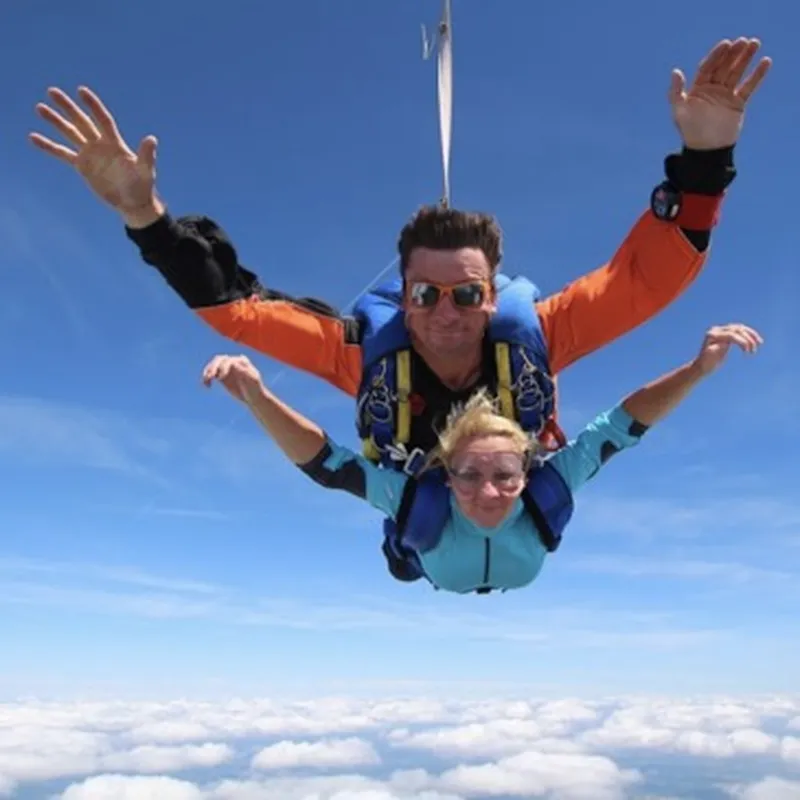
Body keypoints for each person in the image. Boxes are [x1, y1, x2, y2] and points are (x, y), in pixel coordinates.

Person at [29, 38, 771, 472]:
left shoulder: (538, 338)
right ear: (403, 293)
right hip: (416, 493)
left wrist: (705, 159)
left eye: (467, 295)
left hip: (513, 486)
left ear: (492, 295)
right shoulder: (363, 356)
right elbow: (239, 313)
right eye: (426, 295)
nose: (446, 313)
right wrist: (144, 216)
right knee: (417, 543)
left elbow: (642, 282)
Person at [202, 323, 763, 594]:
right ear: (446, 474)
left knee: (417, 527)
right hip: (427, 562)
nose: (487, 492)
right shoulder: (422, 498)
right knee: (404, 551)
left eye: (504, 475)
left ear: (527, 470)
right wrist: (258, 396)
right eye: (468, 474)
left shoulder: (551, 482)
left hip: (460, 563)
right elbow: (329, 466)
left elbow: (624, 424)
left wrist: (697, 370)